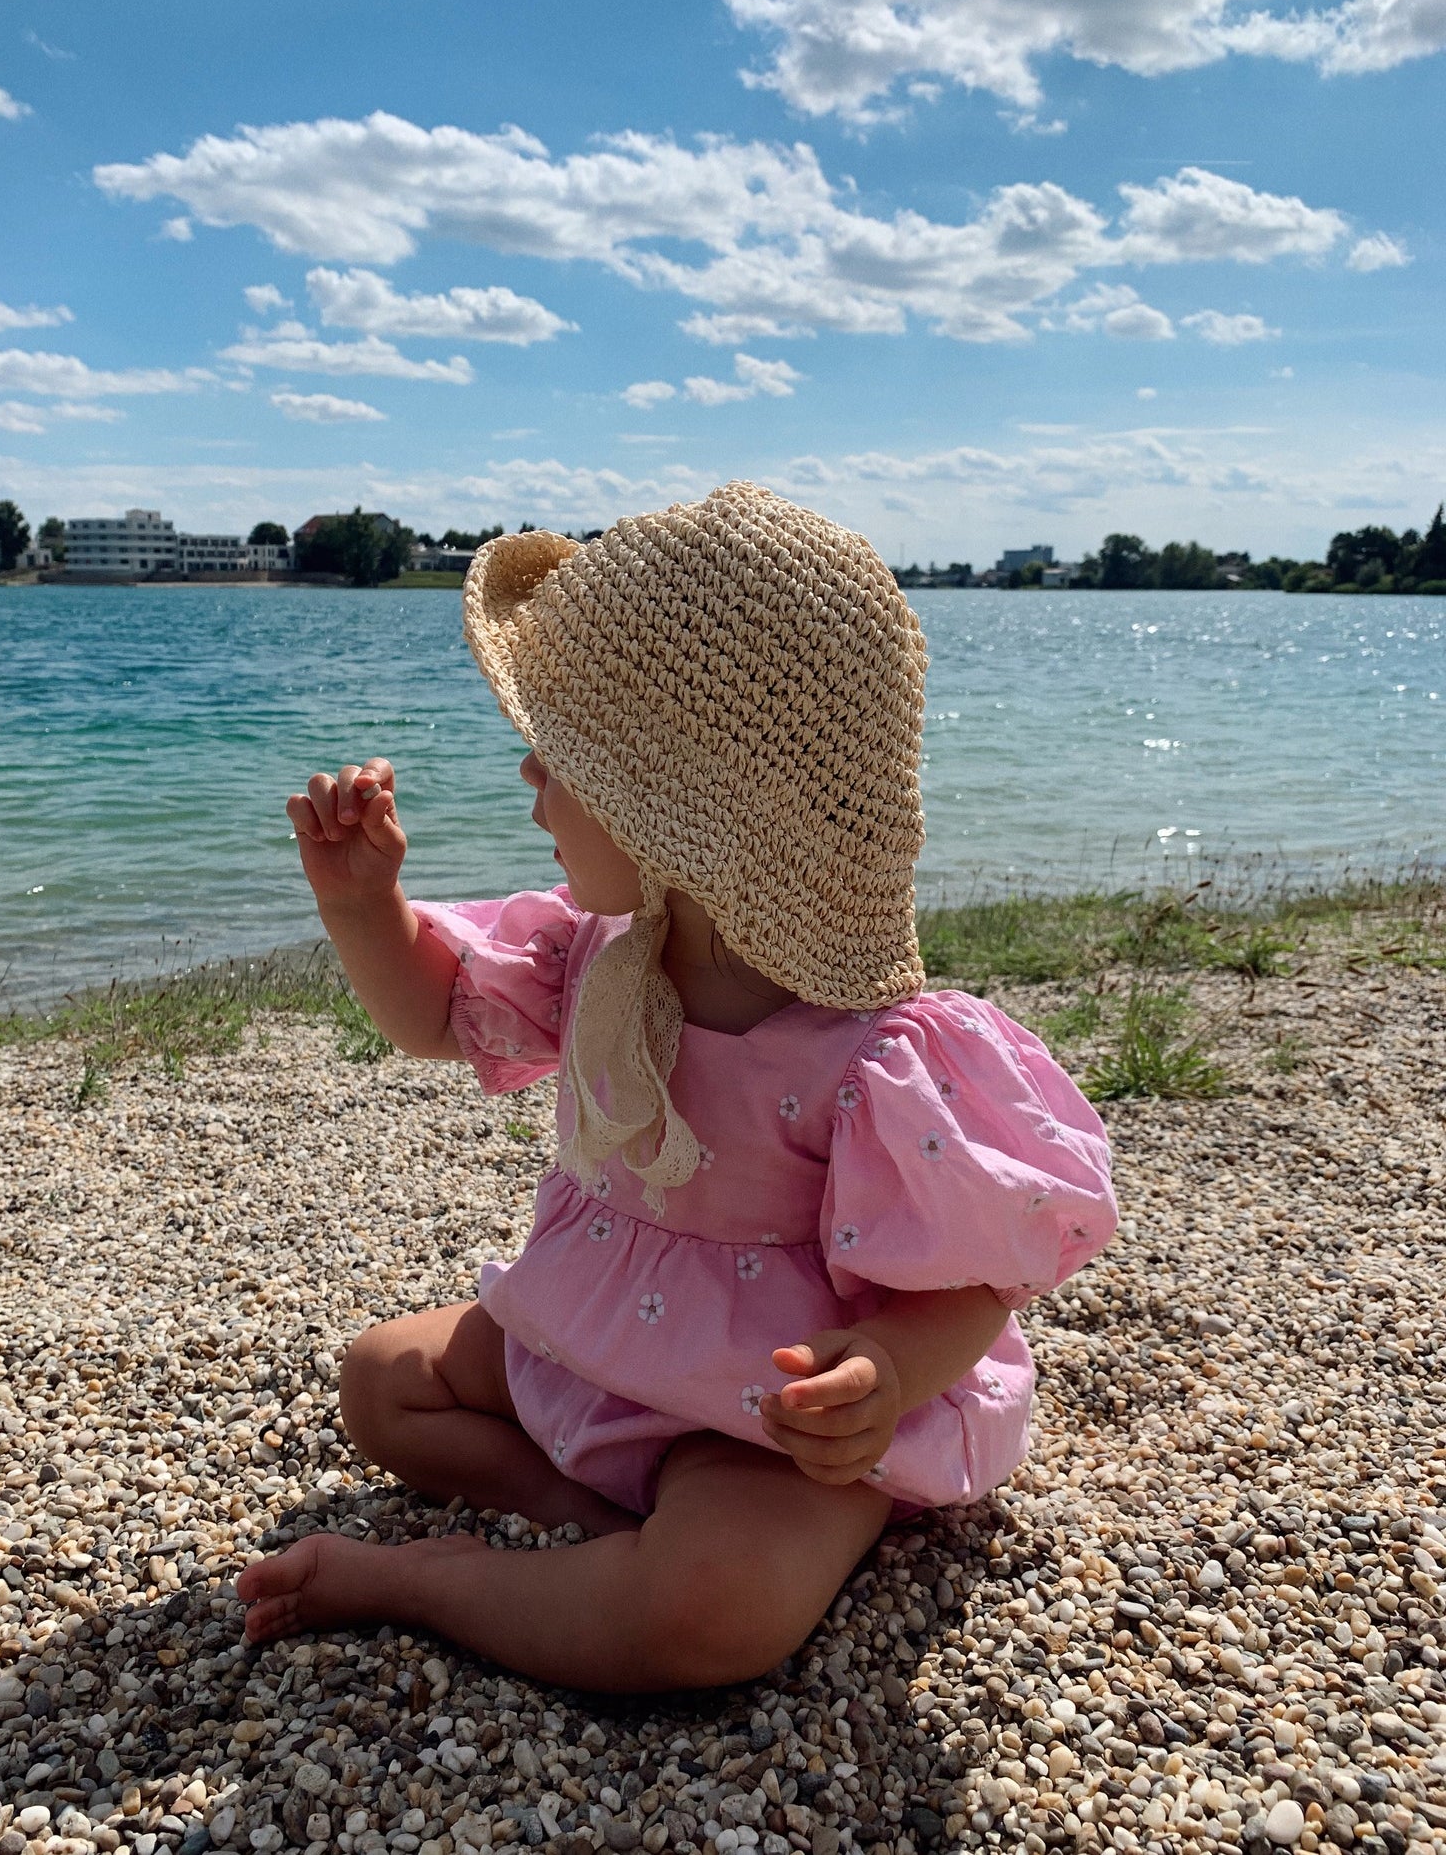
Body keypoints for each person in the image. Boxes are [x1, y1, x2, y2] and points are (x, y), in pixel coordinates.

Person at [238, 482, 1114, 1690]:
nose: (529, 775)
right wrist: (361, 907)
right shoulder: (598, 954)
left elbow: (974, 1280)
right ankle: (586, 1522)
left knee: (714, 1611)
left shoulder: (874, 1053)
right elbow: (433, 1016)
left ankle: (430, 1580)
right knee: (381, 1381)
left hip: (759, 1413)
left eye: (565, 756)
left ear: (682, 808)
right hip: (592, 1333)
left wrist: (886, 1376)